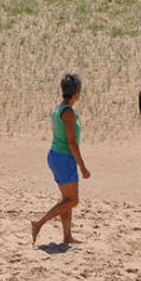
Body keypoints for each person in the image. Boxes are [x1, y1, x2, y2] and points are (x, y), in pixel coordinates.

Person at [32, 73, 90, 246]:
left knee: (67, 200)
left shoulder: (59, 108)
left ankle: (67, 236)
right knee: (73, 200)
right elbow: (72, 142)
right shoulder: (68, 113)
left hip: (58, 156)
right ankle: (39, 223)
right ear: (77, 92)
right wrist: (83, 166)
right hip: (63, 157)